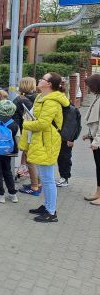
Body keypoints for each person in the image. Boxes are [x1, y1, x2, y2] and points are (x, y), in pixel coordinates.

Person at [19, 72, 70, 222]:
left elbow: (42, 123)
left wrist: (26, 124)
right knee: (45, 177)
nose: (39, 80)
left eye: (43, 79)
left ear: (49, 84)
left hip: (47, 142)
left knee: (48, 179)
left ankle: (51, 212)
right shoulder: (41, 97)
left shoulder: (52, 101)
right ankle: (47, 206)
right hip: (40, 140)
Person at [13, 77, 40, 194]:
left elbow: (23, 116)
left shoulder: (21, 99)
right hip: (34, 130)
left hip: (26, 131)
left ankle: (35, 186)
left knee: (30, 159)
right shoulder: (37, 97)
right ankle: (37, 182)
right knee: (33, 157)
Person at [56, 102, 81, 188]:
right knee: (61, 158)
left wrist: (71, 139)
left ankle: (64, 178)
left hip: (66, 138)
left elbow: (71, 125)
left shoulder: (70, 109)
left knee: (64, 158)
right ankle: (63, 177)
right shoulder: (66, 107)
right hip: (62, 137)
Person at [83, 73, 100, 203]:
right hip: (95, 139)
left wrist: (97, 141)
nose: (88, 88)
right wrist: (89, 135)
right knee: (98, 167)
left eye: (89, 85)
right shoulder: (97, 97)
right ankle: (98, 192)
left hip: (98, 142)